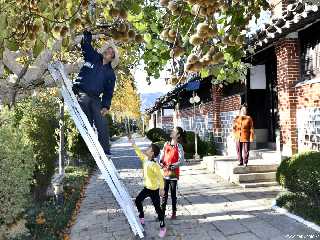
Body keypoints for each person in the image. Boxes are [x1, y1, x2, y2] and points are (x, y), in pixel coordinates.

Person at [73, 30, 119, 155]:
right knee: (86, 114)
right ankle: (90, 143)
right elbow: (86, 45)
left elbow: (109, 92)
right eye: (107, 50)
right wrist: (87, 33)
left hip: (95, 98)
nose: (108, 52)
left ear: (112, 58)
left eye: (111, 52)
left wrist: (105, 106)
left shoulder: (110, 74)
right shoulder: (92, 57)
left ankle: (105, 151)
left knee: (102, 121)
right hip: (81, 92)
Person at [134, 143, 166, 238]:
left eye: (148, 148)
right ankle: (141, 216)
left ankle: (163, 227)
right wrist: (133, 143)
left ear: (152, 153)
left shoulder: (154, 165)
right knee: (137, 200)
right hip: (146, 188)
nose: (146, 149)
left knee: (158, 209)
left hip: (154, 190)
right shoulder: (145, 159)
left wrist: (161, 189)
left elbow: (160, 178)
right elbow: (139, 152)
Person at [159, 127, 185, 220]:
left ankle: (174, 213)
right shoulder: (166, 144)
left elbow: (181, 161)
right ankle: (162, 213)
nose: (172, 132)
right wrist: (161, 162)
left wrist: (173, 166)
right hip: (165, 172)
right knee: (164, 194)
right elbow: (162, 156)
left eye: (174, 131)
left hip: (173, 173)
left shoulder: (179, 147)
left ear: (177, 135)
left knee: (173, 194)